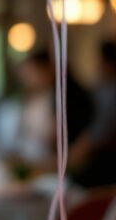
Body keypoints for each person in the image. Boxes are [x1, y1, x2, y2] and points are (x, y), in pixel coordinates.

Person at [10, 49, 93, 173]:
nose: (27, 80)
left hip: (69, 162)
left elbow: (75, 141)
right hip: (49, 161)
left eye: (30, 73)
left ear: (46, 69)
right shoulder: (41, 96)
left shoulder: (68, 95)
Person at [70, 40, 116, 187]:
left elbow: (103, 128)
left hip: (106, 158)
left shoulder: (110, 90)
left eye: (101, 61)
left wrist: (84, 145)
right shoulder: (100, 87)